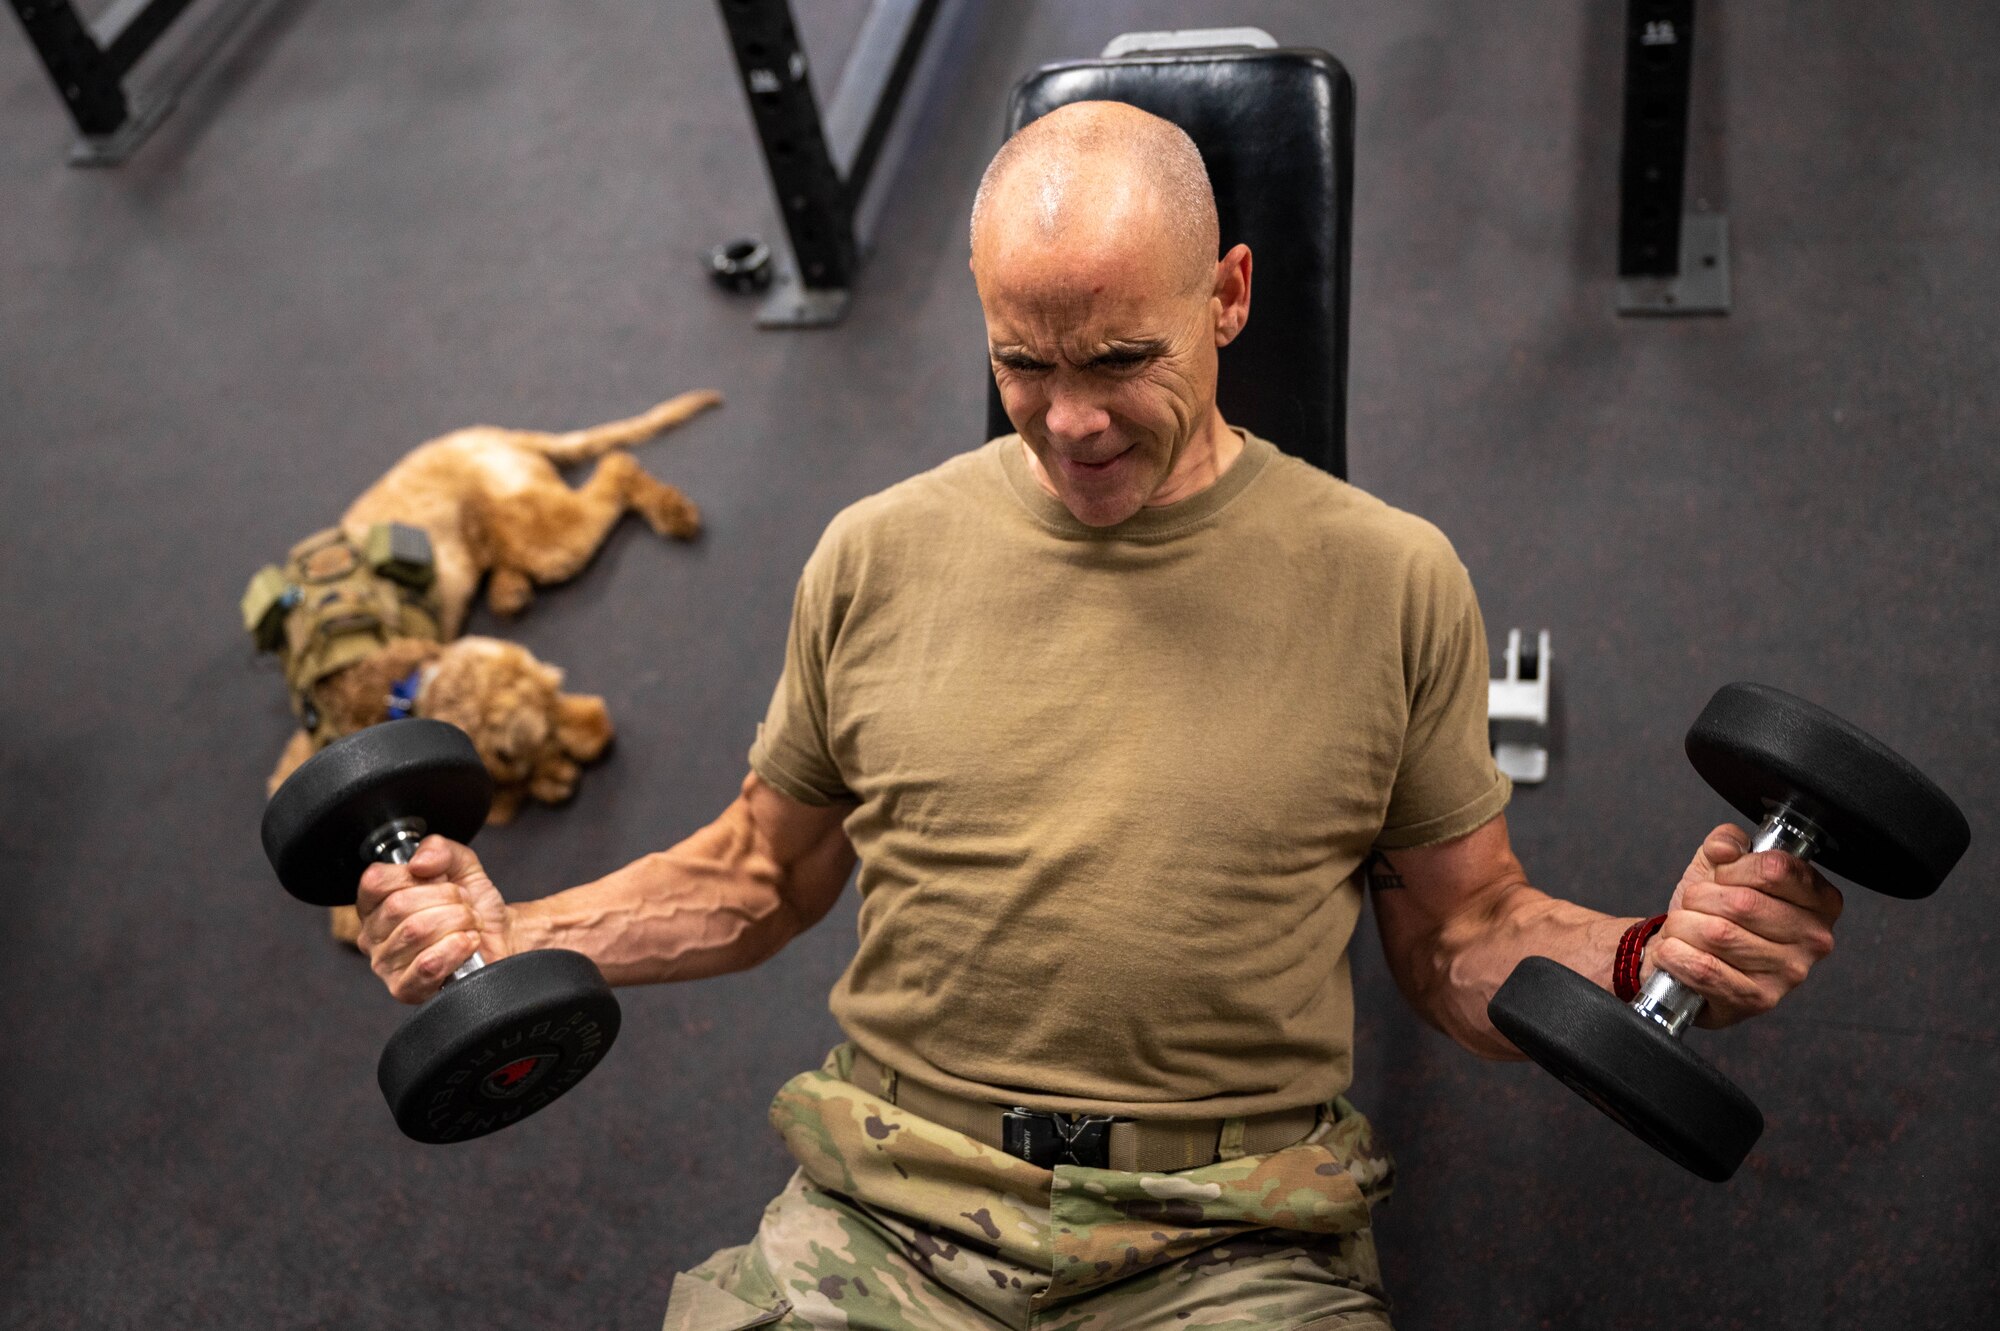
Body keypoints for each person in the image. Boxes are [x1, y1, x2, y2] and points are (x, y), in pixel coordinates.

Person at [354, 103, 1843, 1330]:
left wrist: (1655, 955)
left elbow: (1461, 937)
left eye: (1123, 359)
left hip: (1231, 1240)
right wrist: (512, 935)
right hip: (891, 1206)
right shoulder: (874, 553)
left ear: (1229, 297)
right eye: (1024, 362)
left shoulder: (1393, 579)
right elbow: (759, 875)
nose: (1070, 421)